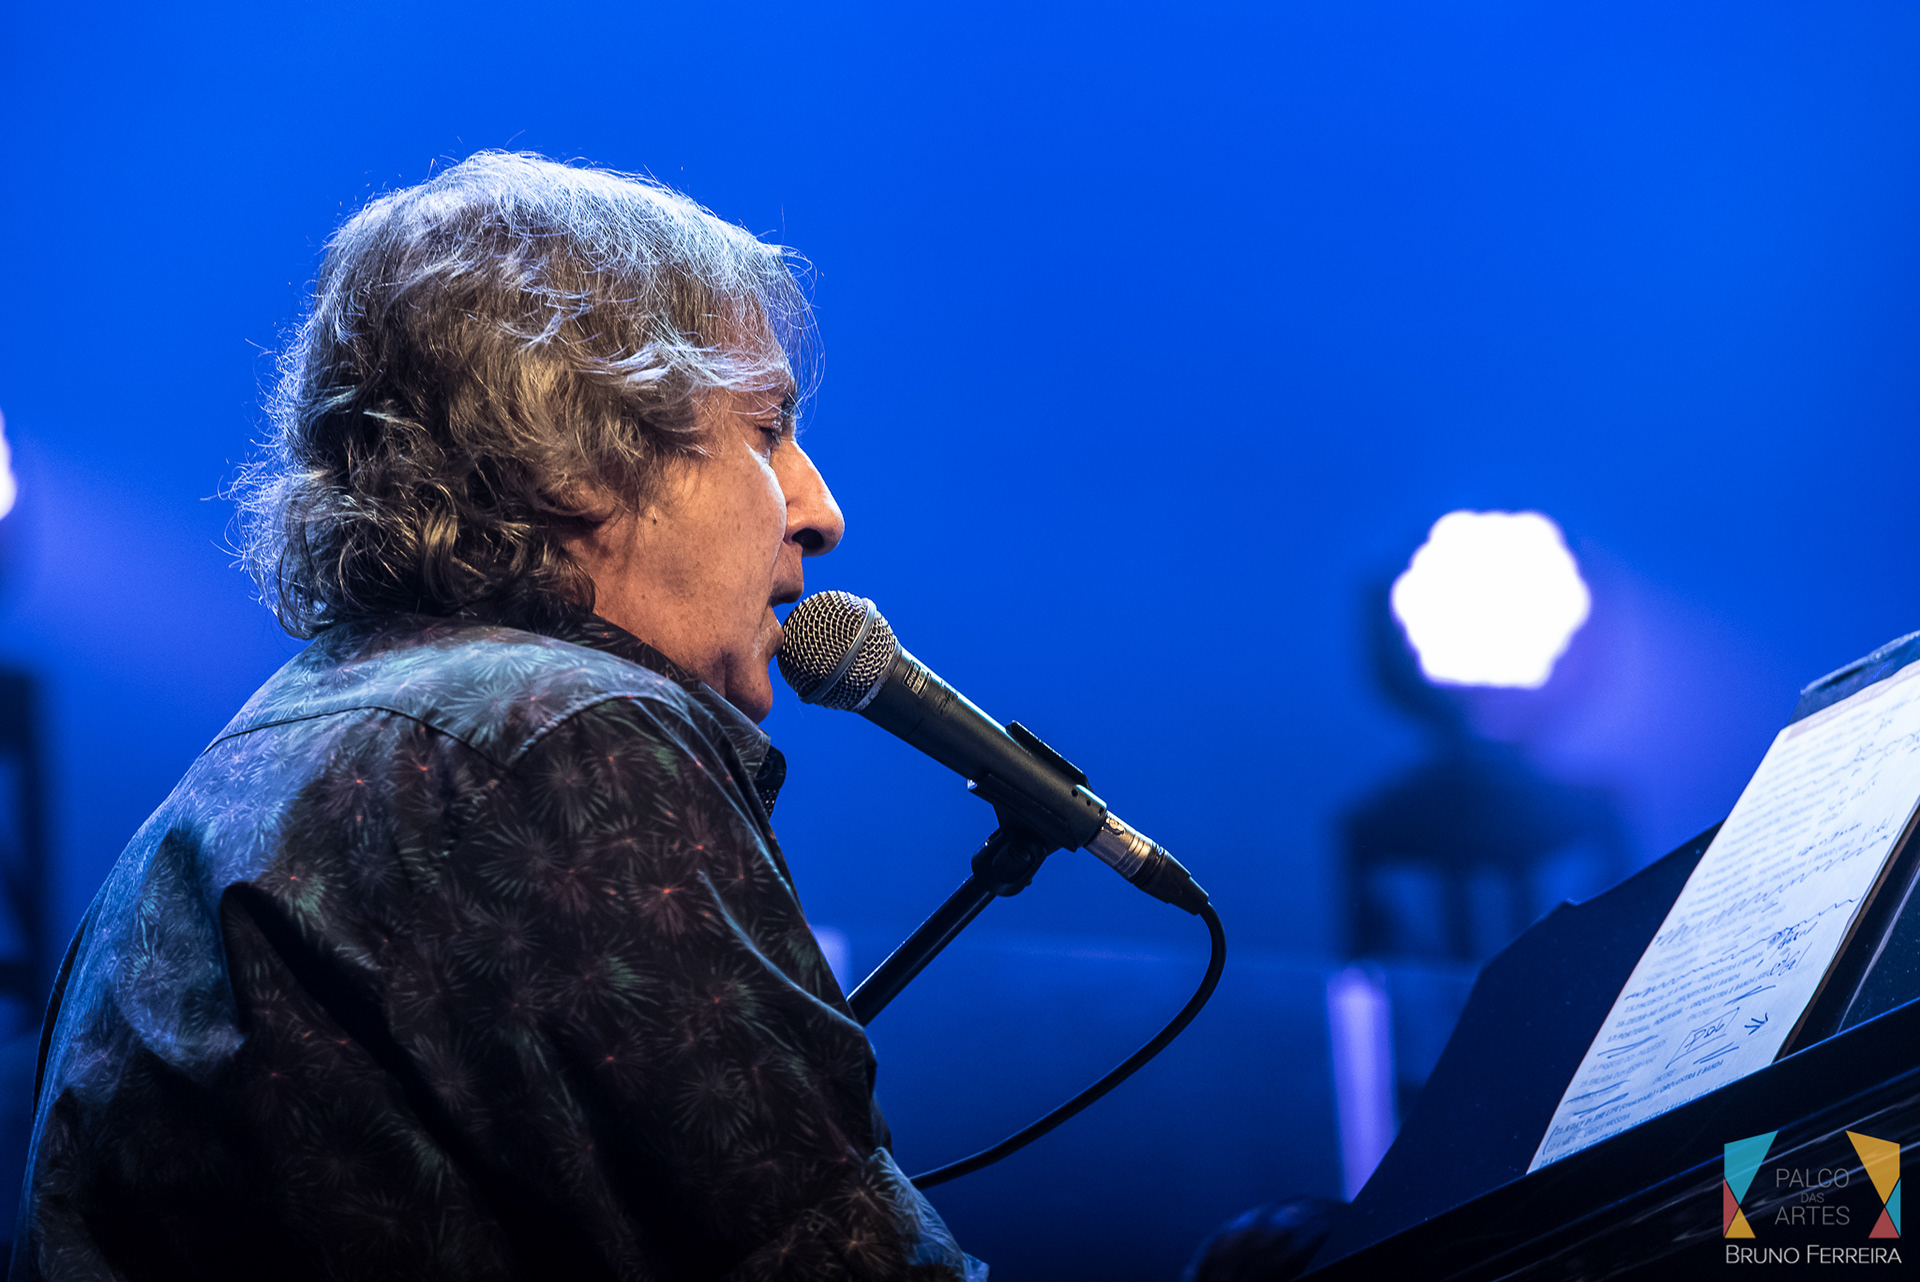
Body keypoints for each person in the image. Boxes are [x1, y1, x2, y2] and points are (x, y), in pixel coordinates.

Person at [11, 153, 982, 1282]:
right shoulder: (563, 738)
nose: (821, 511)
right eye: (766, 430)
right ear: (579, 456)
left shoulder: (262, 757)